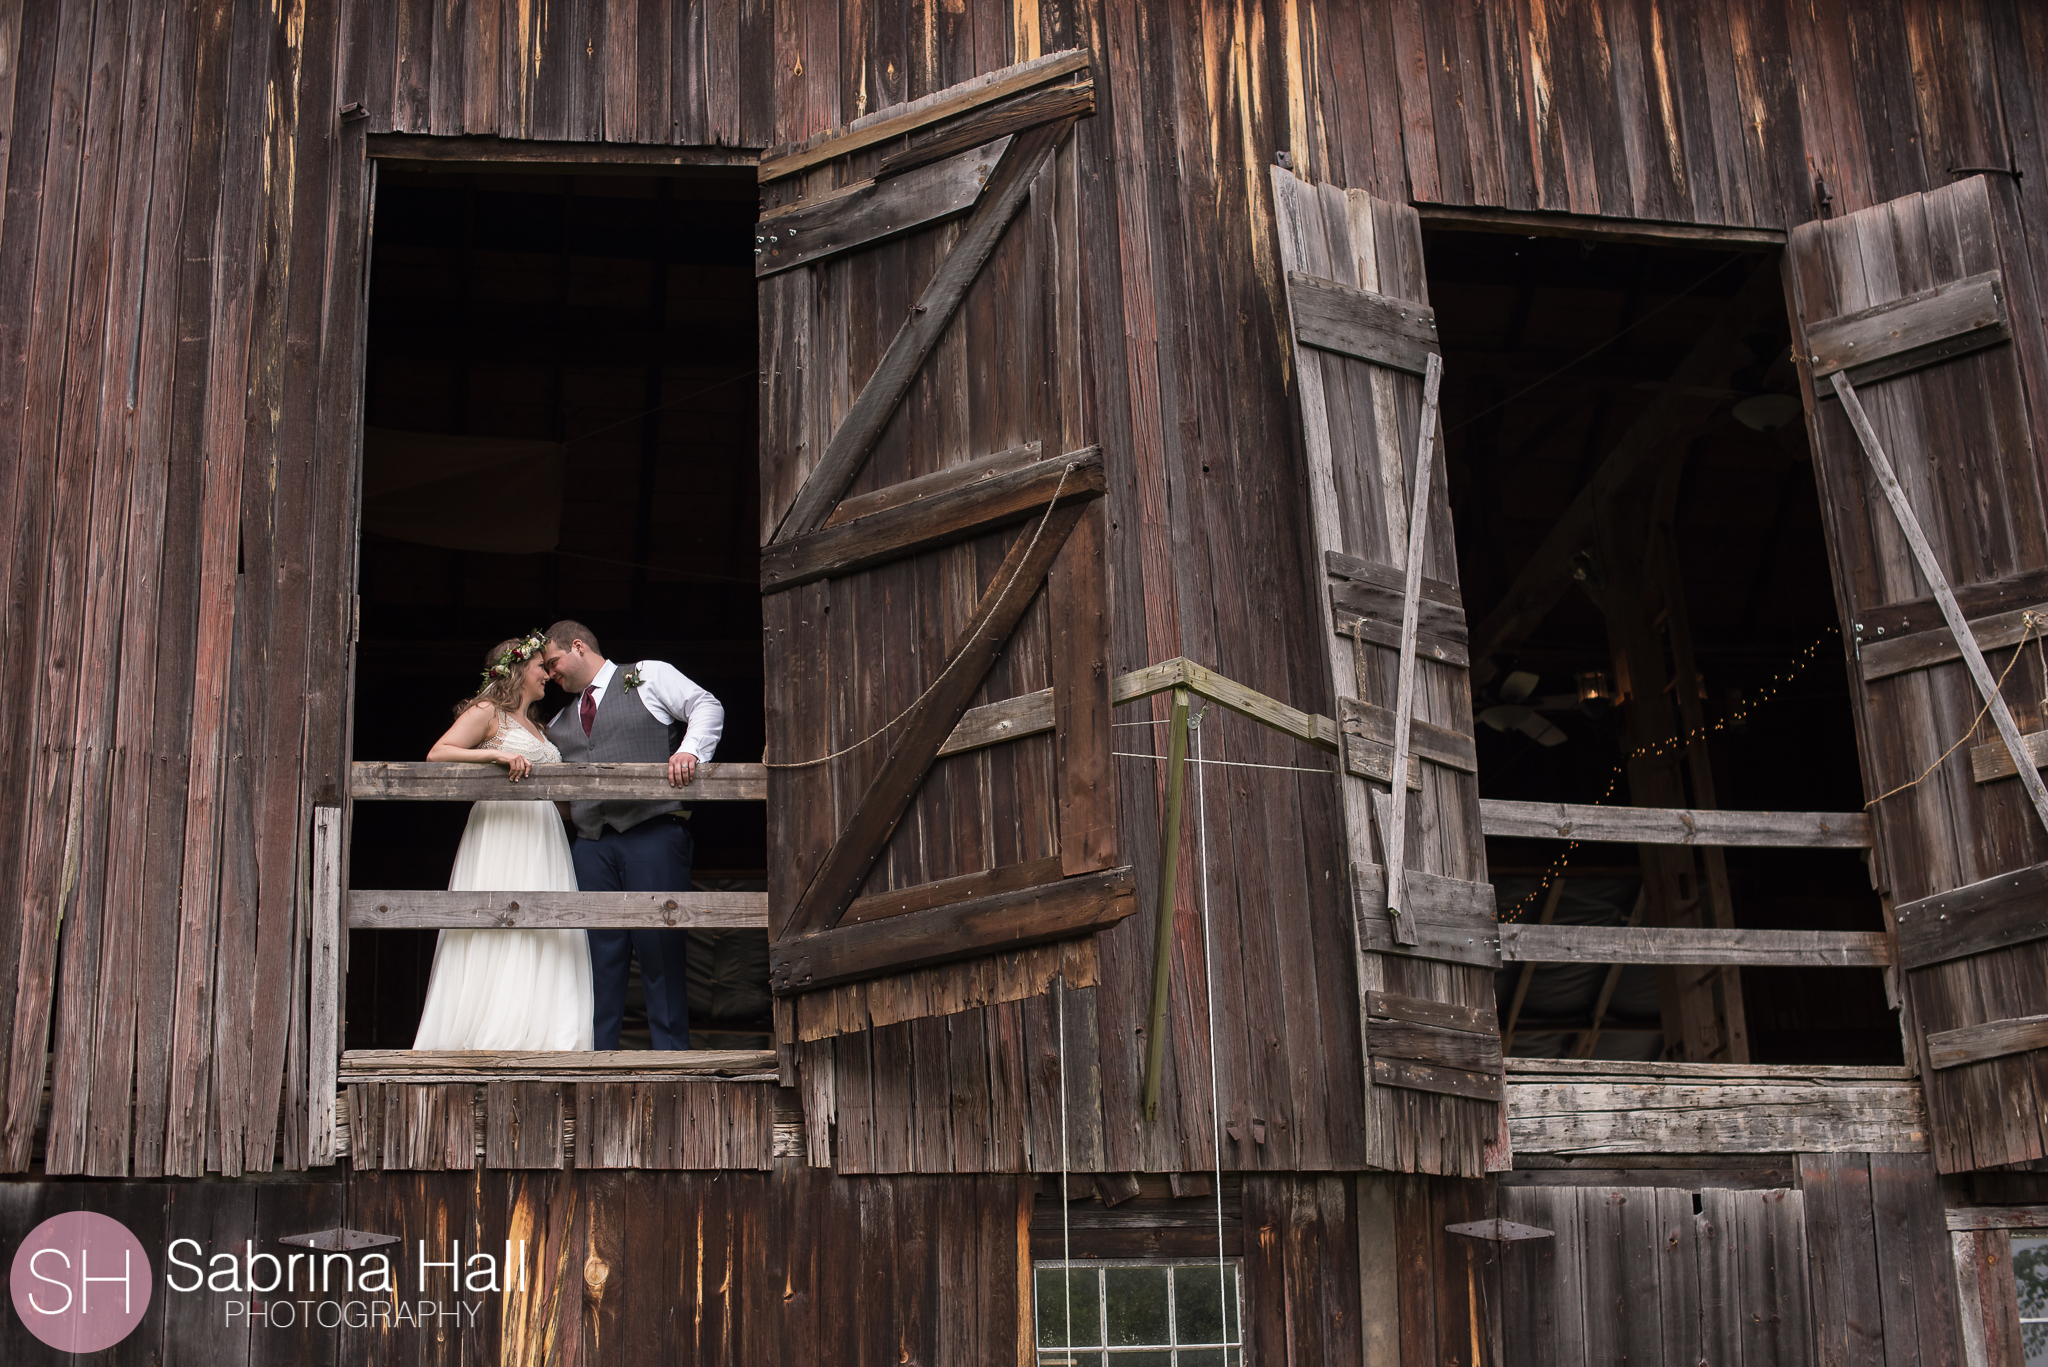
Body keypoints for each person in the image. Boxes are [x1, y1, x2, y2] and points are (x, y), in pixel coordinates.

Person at [541, 620, 724, 1051]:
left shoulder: (647, 676)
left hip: (653, 834)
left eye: (553, 663)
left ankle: (670, 1058)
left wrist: (690, 750)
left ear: (579, 647)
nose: (550, 675)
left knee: (660, 946)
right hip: (590, 844)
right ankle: (598, 1054)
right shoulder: (559, 722)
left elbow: (706, 705)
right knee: (595, 954)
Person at [412, 631, 593, 1051]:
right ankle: (493, 1028)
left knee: (546, 922)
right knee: (498, 922)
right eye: (539, 667)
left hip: (543, 830)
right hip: (502, 827)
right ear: (517, 669)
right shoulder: (488, 711)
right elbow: (439, 753)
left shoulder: (539, 726)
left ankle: (545, 1031)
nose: (547, 674)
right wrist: (494, 755)